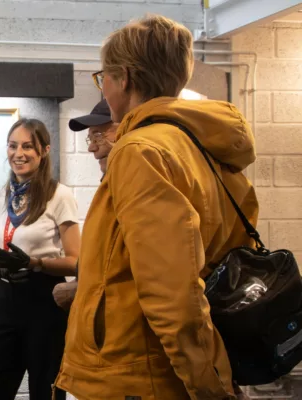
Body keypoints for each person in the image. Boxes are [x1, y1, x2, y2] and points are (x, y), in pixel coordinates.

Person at [54, 15, 258, 399]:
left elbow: (172, 291)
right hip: (173, 365)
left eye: (104, 78)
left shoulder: (140, 151)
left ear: (125, 78)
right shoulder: (202, 147)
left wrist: (209, 387)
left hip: (141, 372)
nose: (105, 87)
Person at [0, 118, 81, 400]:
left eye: (28, 146)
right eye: (13, 146)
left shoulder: (59, 195)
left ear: (43, 150)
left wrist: (35, 263)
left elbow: (77, 260)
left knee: (45, 392)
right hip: (5, 300)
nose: (19, 153)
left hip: (45, 301)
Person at [52, 99, 117, 311]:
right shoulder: (112, 185)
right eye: (90, 137)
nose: (90, 146)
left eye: (99, 134)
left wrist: (81, 289)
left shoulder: (141, 182)